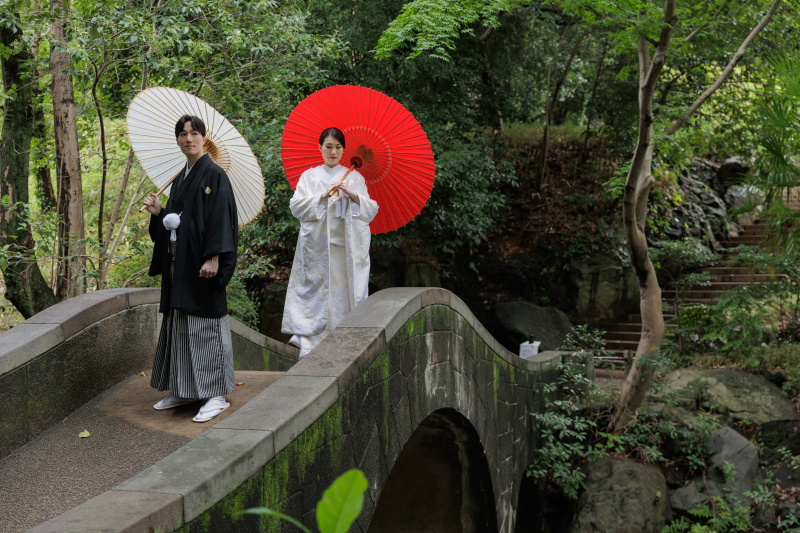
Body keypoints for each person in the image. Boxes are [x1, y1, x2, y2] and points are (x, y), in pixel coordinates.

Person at [142, 115, 239, 423]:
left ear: (203, 138)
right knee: (181, 326)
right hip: (179, 265)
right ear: (178, 140)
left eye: (194, 133)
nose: (188, 139)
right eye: (183, 134)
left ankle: (216, 394)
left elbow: (221, 219)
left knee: (206, 327)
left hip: (202, 265)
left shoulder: (215, 175)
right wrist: (159, 212)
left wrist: (214, 257)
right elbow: (176, 222)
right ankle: (184, 389)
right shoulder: (180, 178)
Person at [282, 127, 379, 357]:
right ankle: (310, 346)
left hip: (345, 251)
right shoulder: (309, 176)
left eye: (338, 147)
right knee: (315, 295)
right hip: (317, 249)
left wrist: (352, 194)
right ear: (320, 147)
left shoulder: (354, 178)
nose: (333, 152)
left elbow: (370, 210)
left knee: (343, 296)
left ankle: (343, 347)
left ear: (343, 150)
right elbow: (296, 207)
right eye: (328, 146)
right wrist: (322, 196)